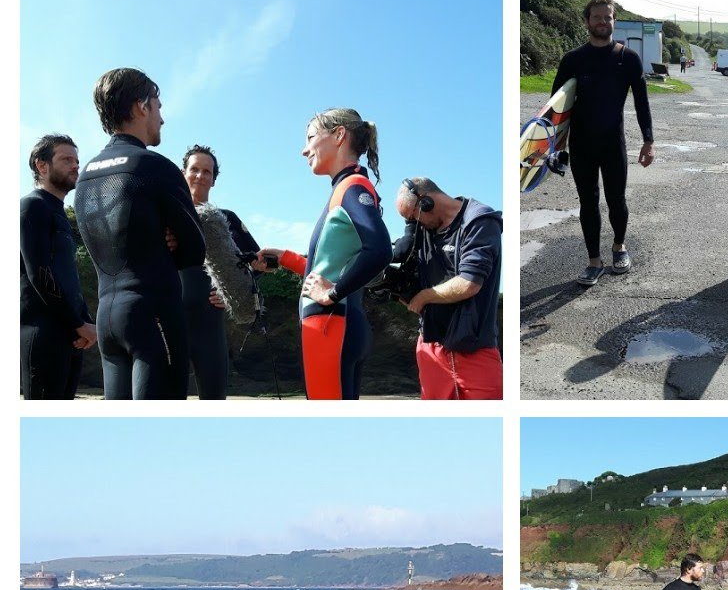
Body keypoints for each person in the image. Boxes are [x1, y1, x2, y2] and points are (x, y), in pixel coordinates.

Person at [74, 68, 206, 399]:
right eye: (158, 107)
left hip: (106, 319)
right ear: (141, 107)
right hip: (154, 312)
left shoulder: (86, 174)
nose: (162, 118)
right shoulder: (155, 167)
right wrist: (170, 242)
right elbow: (194, 249)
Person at [258, 108, 391, 399]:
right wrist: (285, 257)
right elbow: (328, 267)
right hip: (342, 323)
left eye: (310, 138)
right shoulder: (347, 188)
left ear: (339, 135)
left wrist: (331, 293)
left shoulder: (351, 188)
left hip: (331, 327)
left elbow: (380, 249)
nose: (304, 150)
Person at [551, 0, 654, 286]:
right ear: (587, 22)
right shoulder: (573, 60)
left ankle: (619, 247)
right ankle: (593, 261)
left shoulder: (627, 58)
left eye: (607, 17)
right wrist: (553, 146)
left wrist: (648, 140)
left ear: (613, 21)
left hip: (613, 142)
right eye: (596, 17)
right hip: (581, 144)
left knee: (616, 200)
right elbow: (555, 108)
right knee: (588, 202)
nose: (602, 22)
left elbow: (642, 103)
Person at [395, 178, 502, 399]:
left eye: (414, 217)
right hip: (431, 346)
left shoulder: (478, 220)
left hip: (475, 349)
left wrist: (424, 297)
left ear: (427, 203)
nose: (414, 225)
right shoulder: (423, 229)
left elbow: (469, 283)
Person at [180, 144, 261, 399]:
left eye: (207, 172)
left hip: (210, 322)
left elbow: (257, 264)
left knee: (214, 399)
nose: (200, 176)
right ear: (183, 173)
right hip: (171, 320)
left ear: (214, 180)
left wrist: (232, 292)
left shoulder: (225, 220)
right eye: (194, 169)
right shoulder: (168, 215)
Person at [21, 134, 97, 398]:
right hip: (42, 334)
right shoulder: (32, 207)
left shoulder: (59, 213)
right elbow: (39, 274)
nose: (76, 165)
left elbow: (68, 277)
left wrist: (85, 322)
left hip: (70, 335)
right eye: (66, 159)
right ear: (42, 166)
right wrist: (78, 323)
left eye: (77, 160)